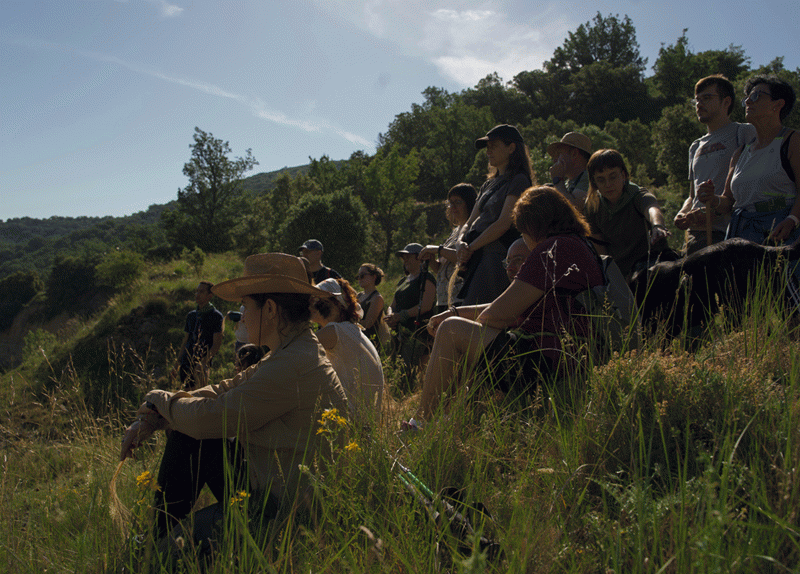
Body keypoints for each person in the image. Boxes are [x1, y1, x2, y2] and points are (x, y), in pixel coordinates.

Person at [120, 253, 348, 549]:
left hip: (285, 509)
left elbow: (212, 416)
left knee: (172, 554)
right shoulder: (292, 350)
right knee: (187, 429)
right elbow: (225, 388)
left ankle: (157, 549)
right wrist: (156, 411)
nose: (241, 315)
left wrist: (158, 399)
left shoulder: (293, 362)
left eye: (245, 306)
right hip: (267, 483)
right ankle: (157, 539)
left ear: (269, 309)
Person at [404, 186, 604, 425]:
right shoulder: (577, 246)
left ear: (532, 225)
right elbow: (511, 305)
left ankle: (422, 422)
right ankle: (449, 421)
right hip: (568, 353)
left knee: (451, 331)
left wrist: (456, 321)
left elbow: (498, 316)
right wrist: (456, 311)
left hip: (545, 358)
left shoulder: (551, 249)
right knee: (459, 329)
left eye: (522, 231)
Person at [698, 75, 800, 251]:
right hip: (740, 234)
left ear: (778, 104)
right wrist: (712, 199)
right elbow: (728, 202)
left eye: (756, 96)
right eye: (747, 98)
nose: (747, 102)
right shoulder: (740, 152)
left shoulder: (792, 141)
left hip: (780, 232)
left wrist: (792, 220)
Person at [674, 75, 756, 254]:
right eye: (697, 99)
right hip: (695, 235)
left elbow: (752, 182)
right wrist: (681, 213)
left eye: (707, 98)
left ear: (726, 102)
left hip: (727, 231)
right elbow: (691, 195)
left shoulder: (743, 132)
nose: (699, 104)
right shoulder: (695, 146)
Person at [457, 124, 534, 305]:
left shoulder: (519, 180)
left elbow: (504, 223)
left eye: (494, 146)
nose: (488, 151)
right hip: (477, 255)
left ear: (511, 147)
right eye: (487, 147)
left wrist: (471, 247)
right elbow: (469, 222)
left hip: (497, 257)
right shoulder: (488, 185)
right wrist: (461, 242)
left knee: (477, 311)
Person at [583, 149, 673, 280]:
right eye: (601, 180)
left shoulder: (637, 194)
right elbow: (599, 246)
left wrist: (657, 226)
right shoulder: (593, 205)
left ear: (623, 175)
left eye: (613, 177)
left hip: (650, 269)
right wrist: (610, 275)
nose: (608, 184)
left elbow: (652, 208)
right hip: (619, 271)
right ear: (594, 182)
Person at [311, 278, 384, 419]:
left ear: (337, 304)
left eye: (320, 300)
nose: (313, 304)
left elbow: (295, 351)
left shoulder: (335, 330)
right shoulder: (350, 329)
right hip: (365, 418)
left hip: (352, 419)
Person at [418, 183, 477, 313]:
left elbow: (463, 258)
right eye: (450, 203)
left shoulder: (474, 228)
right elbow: (440, 269)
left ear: (470, 203)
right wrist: (432, 259)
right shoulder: (455, 231)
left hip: (460, 296)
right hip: (444, 298)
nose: (453, 207)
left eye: (458, 202)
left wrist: (438, 249)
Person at [385, 243, 437, 382]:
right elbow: (392, 304)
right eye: (404, 257)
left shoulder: (426, 278)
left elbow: (426, 305)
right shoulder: (403, 281)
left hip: (417, 332)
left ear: (419, 258)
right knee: (396, 365)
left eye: (408, 257)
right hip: (400, 331)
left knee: (409, 370)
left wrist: (402, 315)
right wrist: (390, 315)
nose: (405, 260)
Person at [171, 281, 224, 390]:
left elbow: (216, 345)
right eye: (196, 291)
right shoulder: (191, 315)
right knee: (186, 396)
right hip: (186, 361)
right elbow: (185, 341)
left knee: (199, 395)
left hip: (201, 365)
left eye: (201, 292)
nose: (197, 294)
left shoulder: (216, 316)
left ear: (210, 296)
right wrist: (177, 363)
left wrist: (203, 362)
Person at [547, 132, 593, 209]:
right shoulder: (568, 182)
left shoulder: (588, 177)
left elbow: (574, 208)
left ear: (574, 153)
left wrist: (557, 180)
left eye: (559, 154)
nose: (555, 160)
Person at [356, 263, 387, 344]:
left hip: (369, 342)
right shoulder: (358, 295)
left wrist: (349, 319)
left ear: (374, 277)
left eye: (362, 275)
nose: (359, 278)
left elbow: (367, 324)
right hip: (357, 338)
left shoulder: (377, 298)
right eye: (358, 276)